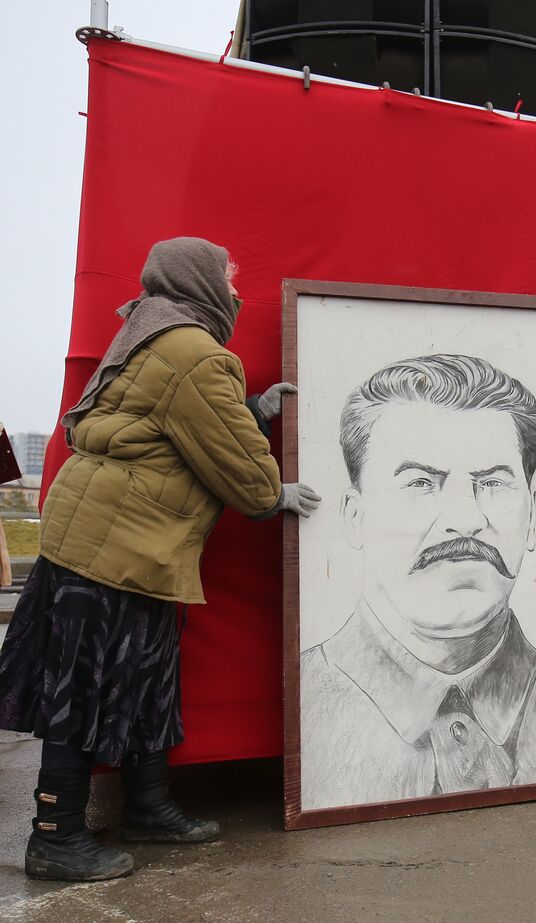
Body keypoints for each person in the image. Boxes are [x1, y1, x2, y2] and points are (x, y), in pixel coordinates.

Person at [0, 237, 320, 882]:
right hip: (120, 542)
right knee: (85, 686)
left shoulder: (146, 332)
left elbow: (170, 427)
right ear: (199, 279)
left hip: (103, 534)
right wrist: (274, 491)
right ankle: (55, 837)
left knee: (144, 675)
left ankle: (146, 807)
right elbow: (244, 475)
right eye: (229, 275)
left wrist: (251, 412)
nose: (235, 288)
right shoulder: (196, 352)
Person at [298, 354, 536, 810]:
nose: (465, 519)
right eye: (419, 484)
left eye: (493, 483)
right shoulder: (304, 702)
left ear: (532, 516)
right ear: (355, 517)